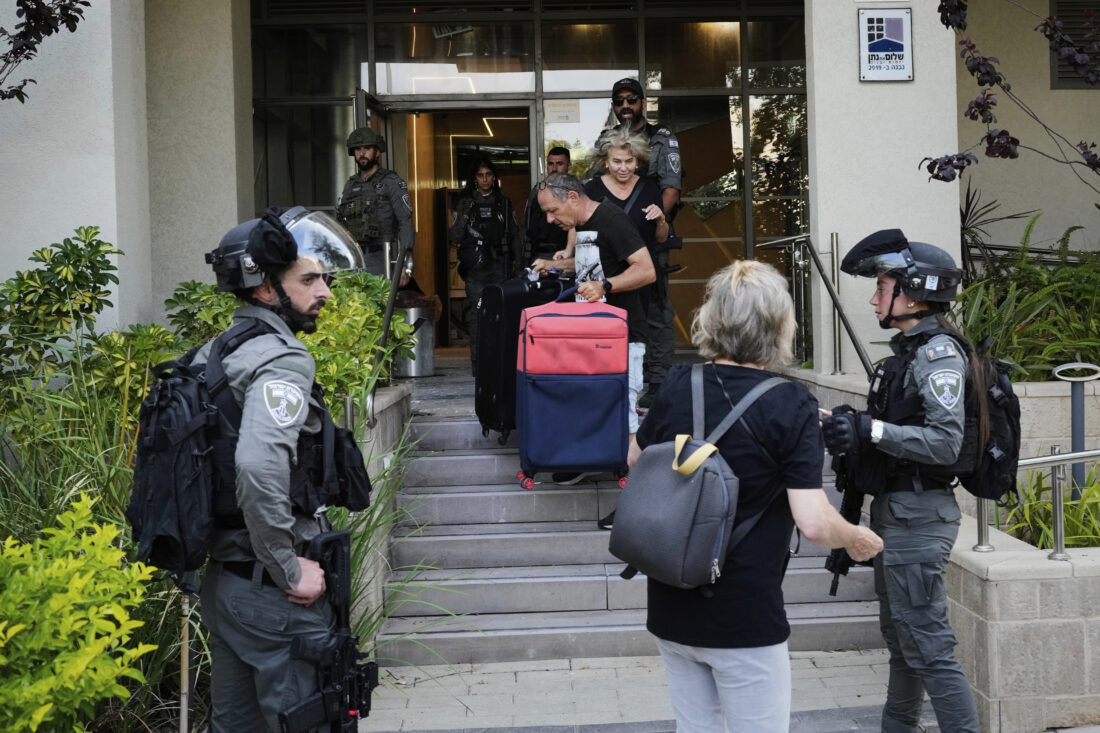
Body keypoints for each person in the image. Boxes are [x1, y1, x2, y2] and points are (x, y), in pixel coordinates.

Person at [632, 260, 884, 733]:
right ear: (779, 326)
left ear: (711, 318)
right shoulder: (791, 403)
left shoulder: (677, 384)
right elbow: (813, 522)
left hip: (671, 603)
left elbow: (635, 461)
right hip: (744, 614)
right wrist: (854, 537)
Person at [200, 206, 364, 732]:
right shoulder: (280, 359)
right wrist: (288, 568)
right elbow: (255, 465)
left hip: (226, 588)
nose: (326, 292)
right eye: (309, 279)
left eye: (325, 278)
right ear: (266, 288)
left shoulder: (213, 355)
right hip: (275, 597)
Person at [820, 229, 981, 733]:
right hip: (896, 515)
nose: (873, 299)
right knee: (903, 642)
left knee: (929, 648)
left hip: (920, 518)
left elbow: (945, 443)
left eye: (882, 288)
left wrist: (872, 429)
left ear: (912, 295)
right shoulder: (909, 354)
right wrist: (851, 427)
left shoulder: (938, 355)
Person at [531, 172, 655, 498]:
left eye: (553, 210)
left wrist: (605, 286)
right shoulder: (584, 224)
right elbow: (596, 263)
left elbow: (646, 270)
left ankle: (641, 499)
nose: (550, 219)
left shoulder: (613, 220)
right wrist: (555, 265)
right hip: (593, 334)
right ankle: (590, 460)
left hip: (623, 337)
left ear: (573, 198)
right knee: (591, 405)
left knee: (625, 415)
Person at [591, 78, 682, 407]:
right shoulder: (607, 139)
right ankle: (624, 376)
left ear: (643, 102)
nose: (626, 106)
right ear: (613, 106)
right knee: (614, 310)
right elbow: (596, 187)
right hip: (612, 243)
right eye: (619, 101)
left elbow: (670, 189)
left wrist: (653, 221)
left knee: (655, 310)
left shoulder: (662, 138)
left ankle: (659, 381)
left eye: (632, 99)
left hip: (650, 236)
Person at [449, 157, 519, 375]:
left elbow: (514, 234)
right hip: (476, 269)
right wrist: (465, 214)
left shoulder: (503, 201)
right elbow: (455, 236)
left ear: (494, 176)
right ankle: (478, 365)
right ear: (474, 178)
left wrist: (519, 264)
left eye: (488, 174)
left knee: (501, 315)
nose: (485, 179)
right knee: (478, 316)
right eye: (480, 175)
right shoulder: (465, 202)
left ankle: (500, 363)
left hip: (500, 266)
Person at [582, 126, 669, 285]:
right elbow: (577, 227)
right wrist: (568, 251)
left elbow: (661, 238)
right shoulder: (591, 189)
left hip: (640, 277)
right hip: (601, 278)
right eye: (616, 161)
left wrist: (660, 219)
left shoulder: (649, 189)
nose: (623, 168)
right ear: (605, 161)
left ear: (637, 162)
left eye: (629, 161)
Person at [336, 126, 415, 285]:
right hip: (352, 258)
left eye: (367, 148)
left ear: (377, 151)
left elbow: (405, 223)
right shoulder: (350, 185)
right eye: (357, 149)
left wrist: (405, 264)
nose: (362, 153)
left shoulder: (391, 182)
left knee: (378, 299)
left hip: (381, 256)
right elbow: (340, 224)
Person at [521, 146, 575, 265]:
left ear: (569, 165)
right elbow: (527, 226)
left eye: (559, 163)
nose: (554, 168)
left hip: (568, 254)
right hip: (539, 253)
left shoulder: (575, 192)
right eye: (550, 164)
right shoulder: (537, 191)